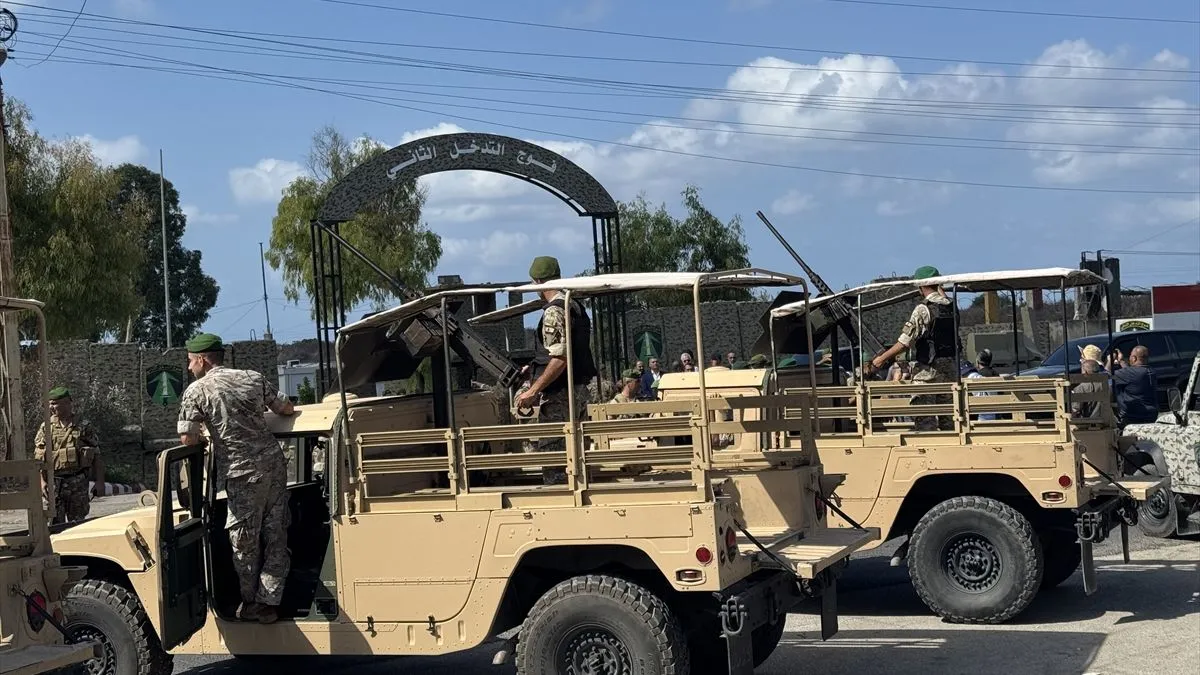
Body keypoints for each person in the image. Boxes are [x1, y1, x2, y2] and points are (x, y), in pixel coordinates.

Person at [177, 333, 295, 624]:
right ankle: (269, 602)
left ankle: (251, 602)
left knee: (243, 543)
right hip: (273, 466)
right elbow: (286, 408)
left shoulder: (197, 391)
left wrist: (207, 434)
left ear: (202, 360)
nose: (190, 367)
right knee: (276, 534)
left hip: (242, 474)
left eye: (191, 361)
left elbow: (187, 438)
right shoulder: (253, 378)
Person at [513, 256, 598, 484]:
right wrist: (534, 369)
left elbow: (560, 359)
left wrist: (532, 391)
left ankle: (561, 499)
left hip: (559, 397)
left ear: (538, 282)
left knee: (556, 461)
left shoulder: (553, 311)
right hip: (577, 391)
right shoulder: (574, 305)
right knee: (578, 456)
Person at [865, 265, 959, 431]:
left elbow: (904, 342)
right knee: (950, 419)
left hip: (929, 370)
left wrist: (880, 359)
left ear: (921, 286)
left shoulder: (923, 309)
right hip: (951, 370)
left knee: (924, 418)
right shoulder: (952, 306)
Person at [34, 386, 104, 525]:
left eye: (55, 403)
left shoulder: (83, 426)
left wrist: (100, 482)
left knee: (78, 524)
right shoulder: (46, 427)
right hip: (54, 484)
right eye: (50, 404)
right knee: (53, 525)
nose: (51, 407)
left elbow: (97, 455)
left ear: (67, 403)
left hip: (77, 483)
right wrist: (42, 483)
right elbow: (39, 458)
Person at [1109, 345, 1158, 425]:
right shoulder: (1151, 371)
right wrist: (1121, 361)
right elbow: (1130, 373)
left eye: (1130, 356)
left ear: (1134, 358)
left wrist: (1109, 360)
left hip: (1132, 417)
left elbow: (1106, 375)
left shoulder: (1130, 373)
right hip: (1151, 415)